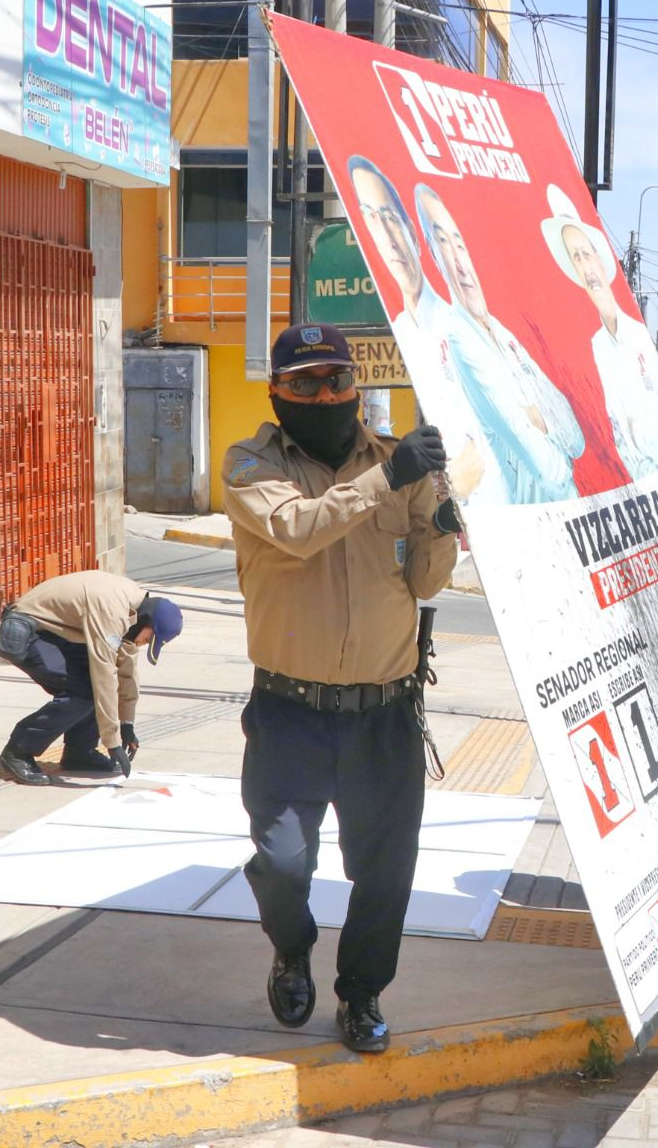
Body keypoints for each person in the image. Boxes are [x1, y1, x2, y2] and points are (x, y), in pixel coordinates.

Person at [221, 322, 460, 1055]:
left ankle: (361, 995)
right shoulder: (251, 466)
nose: (326, 394)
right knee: (285, 862)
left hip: (383, 713)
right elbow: (298, 530)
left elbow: (425, 581)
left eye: (338, 380)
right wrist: (390, 479)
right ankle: (291, 948)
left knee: (386, 874)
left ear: (357, 387)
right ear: (277, 392)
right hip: (290, 711)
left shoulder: (400, 463)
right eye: (306, 383)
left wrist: (445, 514)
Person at [415, 184, 585, 504]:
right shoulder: (459, 339)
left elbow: (575, 437)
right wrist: (538, 421)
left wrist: (540, 420)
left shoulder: (504, 333)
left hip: (567, 516)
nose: (458, 258)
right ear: (433, 255)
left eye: (459, 243)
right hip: (531, 525)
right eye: (442, 242)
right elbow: (547, 469)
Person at [345, 155, 491, 503]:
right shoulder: (400, 330)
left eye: (390, 219)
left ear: (411, 230)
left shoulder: (461, 328)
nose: (387, 237)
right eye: (370, 220)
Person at [540, 184, 658, 479]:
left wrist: (644, 433)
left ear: (602, 259)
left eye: (587, 254)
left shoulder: (637, 335)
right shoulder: (596, 345)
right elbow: (621, 435)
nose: (586, 266)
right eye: (576, 258)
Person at [0, 572, 183, 785]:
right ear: (147, 623)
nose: (144, 643)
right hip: (28, 632)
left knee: (90, 688)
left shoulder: (133, 608)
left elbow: (127, 669)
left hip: (56, 634)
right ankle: (18, 751)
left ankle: (79, 753)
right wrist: (112, 742)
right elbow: (104, 674)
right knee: (84, 692)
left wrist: (127, 724)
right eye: (148, 639)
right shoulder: (112, 611)